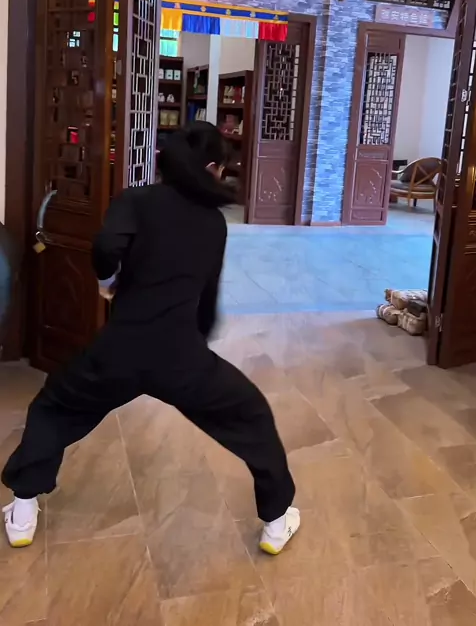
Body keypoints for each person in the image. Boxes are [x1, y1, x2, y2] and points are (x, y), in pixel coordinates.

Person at [2, 123, 299, 553]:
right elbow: (207, 298)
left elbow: (106, 246)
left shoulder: (136, 200)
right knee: (251, 415)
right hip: (180, 356)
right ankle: (276, 521)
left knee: (53, 407)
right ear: (211, 168)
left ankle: (23, 512)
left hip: (117, 351)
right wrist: (194, 352)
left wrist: (108, 282)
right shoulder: (213, 223)